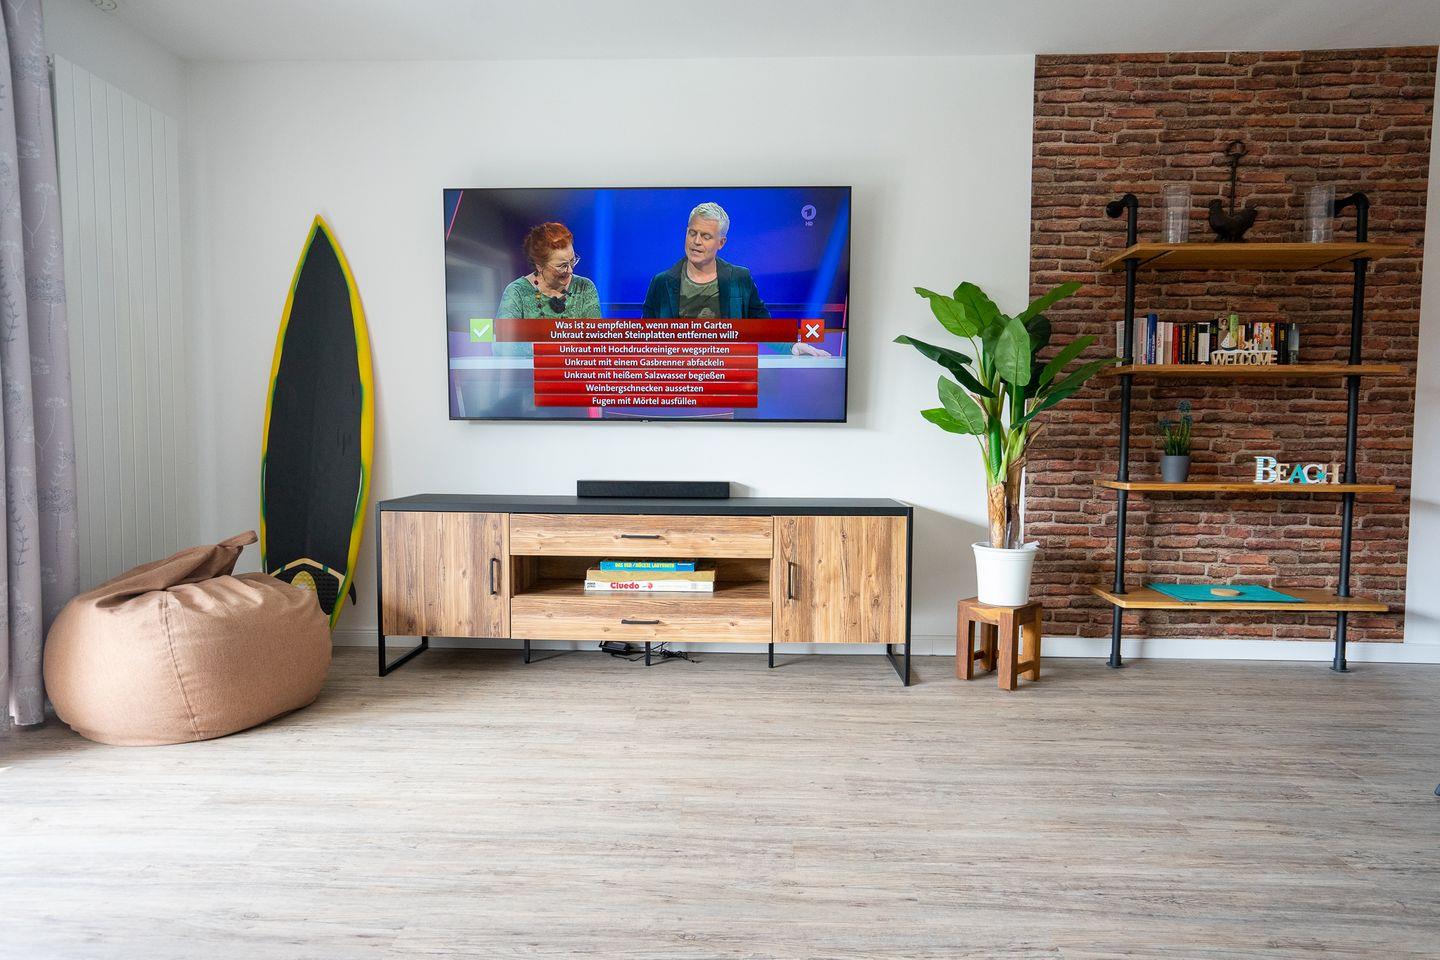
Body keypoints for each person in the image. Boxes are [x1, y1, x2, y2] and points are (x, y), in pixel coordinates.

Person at [641, 202, 769, 320]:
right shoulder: (661, 283)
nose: (696, 241)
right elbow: (645, 334)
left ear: (721, 243)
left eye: (706, 237)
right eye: (692, 233)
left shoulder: (740, 279)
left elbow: (766, 330)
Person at [496, 222, 601, 320]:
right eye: (562, 266)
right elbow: (504, 333)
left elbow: (595, 332)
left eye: (572, 261)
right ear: (539, 266)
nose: (570, 270)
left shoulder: (584, 287)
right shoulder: (516, 292)